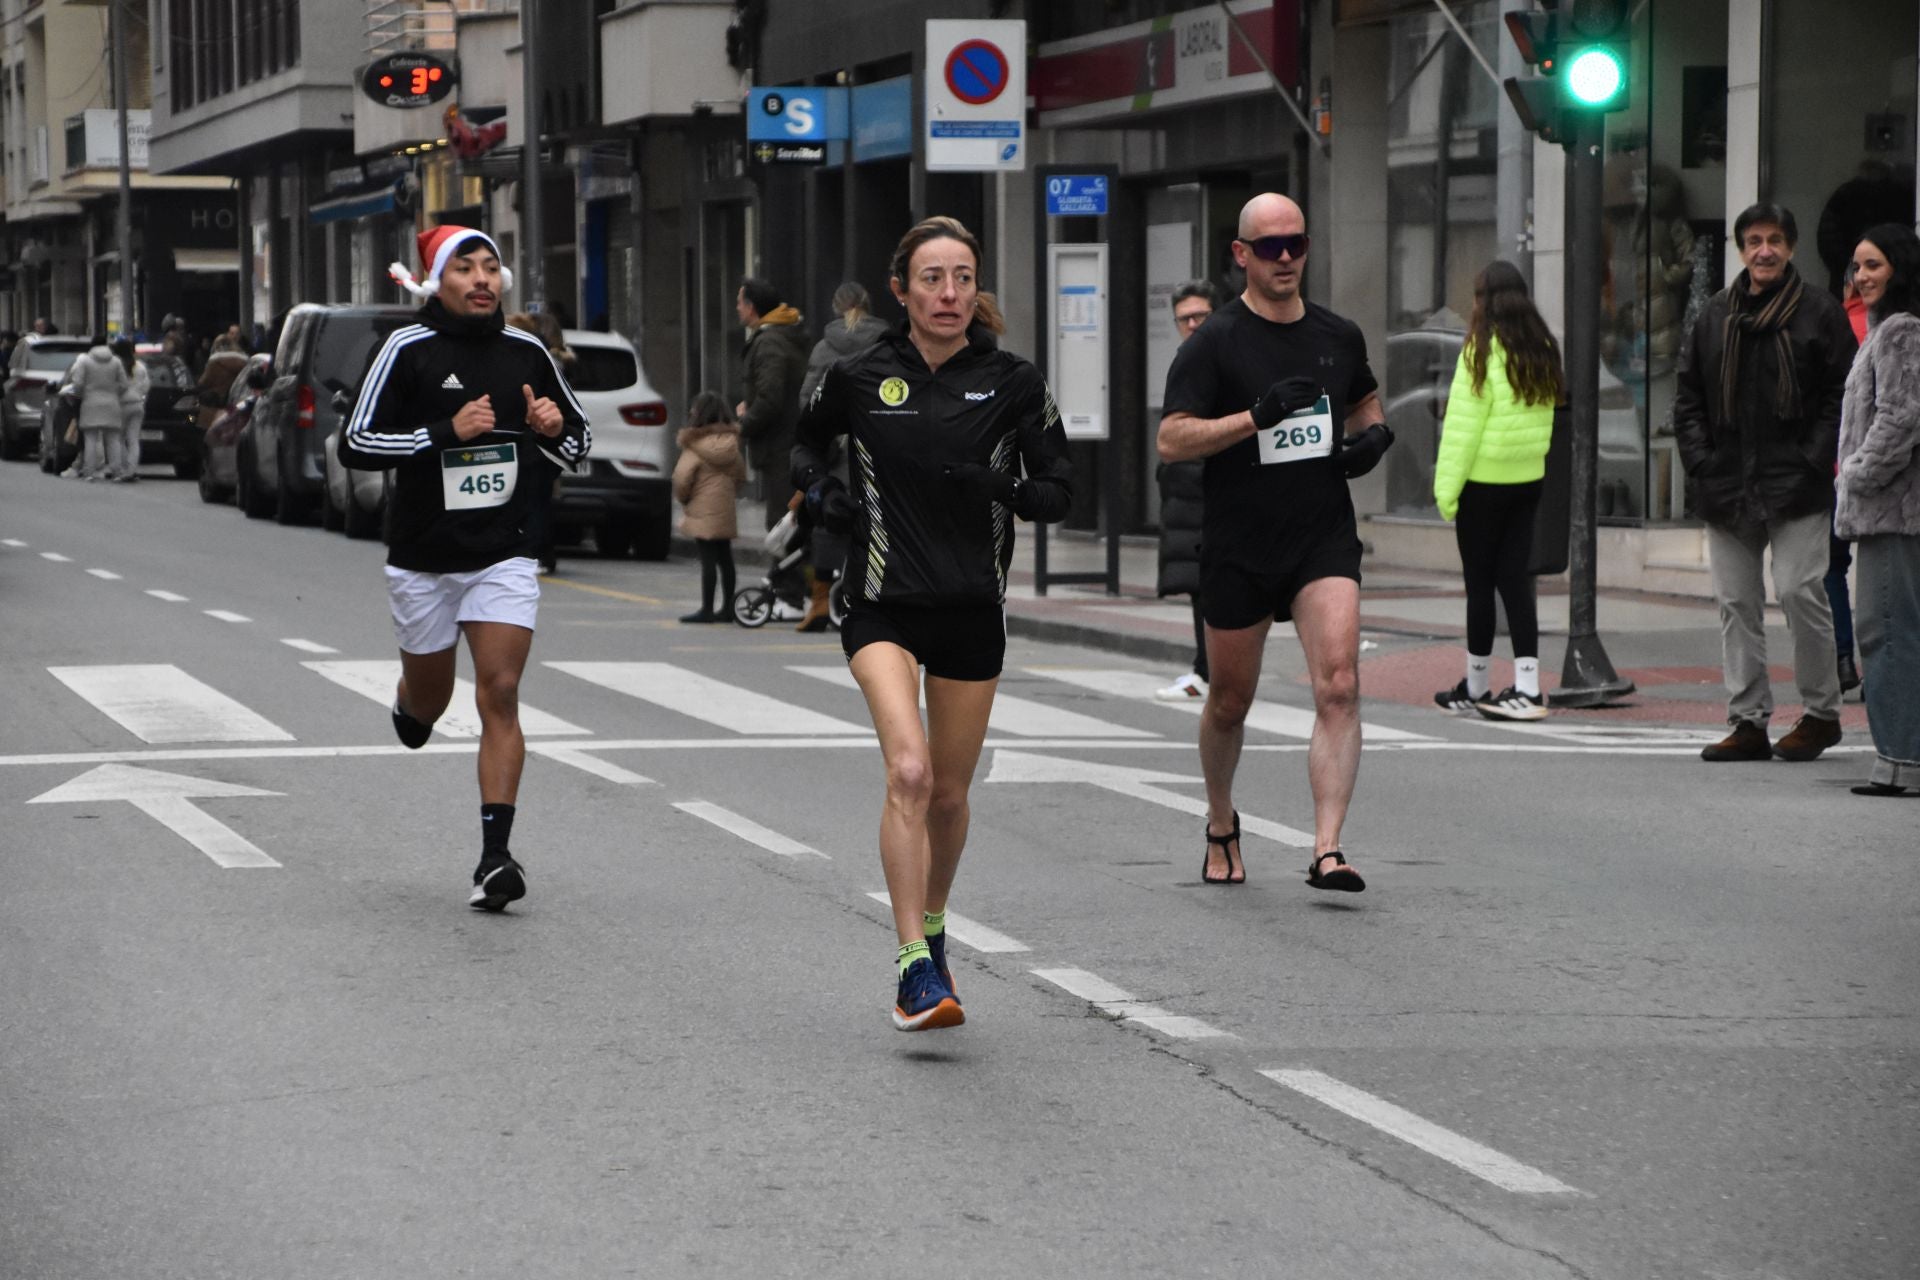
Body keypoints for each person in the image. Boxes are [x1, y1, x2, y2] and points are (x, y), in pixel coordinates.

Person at [792, 215, 1072, 1031]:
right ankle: (913, 966)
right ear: (901, 289)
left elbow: (1060, 490)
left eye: (961, 278)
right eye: (932, 278)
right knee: (908, 773)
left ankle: (937, 927)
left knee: (949, 795)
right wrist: (824, 495)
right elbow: (803, 447)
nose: (949, 294)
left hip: (970, 609)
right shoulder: (858, 372)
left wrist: (1002, 488)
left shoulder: (1013, 381)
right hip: (880, 600)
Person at [340, 225, 591, 910]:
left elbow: (580, 441)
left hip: (503, 552)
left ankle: (495, 858)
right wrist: (446, 433)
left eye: (491, 267)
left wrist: (551, 431)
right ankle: (409, 700)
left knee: (500, 692)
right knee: (432, 704)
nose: (482, 279)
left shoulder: (527, 350)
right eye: (464, 268)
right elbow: (355, 443)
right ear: (437, 281)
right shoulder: (406, 349)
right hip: (422, 559)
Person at [1158, 192, 1393, 892]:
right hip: (1240, 541)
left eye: (1295, 243)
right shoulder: (1215, 342)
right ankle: (1222, 819)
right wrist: (1253, 418)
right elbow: (1172, 438)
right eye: (1269, 247)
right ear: (1241, 256)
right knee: (1230, 700)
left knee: (1341, 685)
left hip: (1321, 535)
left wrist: (1374, 439)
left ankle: (1327, 849)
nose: (1285, 256)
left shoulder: (1337, 334)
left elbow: (1363, 402)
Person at [1673, 202, 1857, 763]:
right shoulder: (1714, 315)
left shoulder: (1819, 312)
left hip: (1796, 482)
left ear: (1791, 246)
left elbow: (1842, 396)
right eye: (1753, 241)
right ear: (1741, 249)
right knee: (1736, 600)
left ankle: (1821, 713)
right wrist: (1701, 460)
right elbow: (1688, 397)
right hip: (1726, 482)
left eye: (1775, 240)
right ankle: (1747, 720)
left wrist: (1812, 458)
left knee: (1802, 591)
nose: (1764, 251)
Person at [1430, 261, 1562, 721]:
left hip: (1483, 485)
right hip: (1527, 480)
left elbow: (1461, 433)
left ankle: (1477, 684)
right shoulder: (1542, 349)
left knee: (1480, 587)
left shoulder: (1480, 352)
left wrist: (1446, 492)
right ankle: (1527, 684)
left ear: (1484, 300)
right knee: (1516, 583)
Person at [1834, 223, 1920, 796]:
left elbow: (1901, 417)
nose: (1862, 277)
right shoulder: (1886, 330)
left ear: (1900, 269)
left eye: (1874, 266)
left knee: (1885, 630)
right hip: (1891, 509)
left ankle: (1901, 762)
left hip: (1893, 511)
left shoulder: (1899, 332)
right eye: (1858, 267)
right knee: (1892, 629)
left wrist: (1855, 475)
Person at [794, 281, 890, 632]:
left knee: (828, 520)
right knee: (881, 518)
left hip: (837, 449)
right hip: (880, 446)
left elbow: (808, 398)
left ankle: (820, 602)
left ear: (837, 307)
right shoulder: (888, 344)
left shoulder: (824, 347)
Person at [1154, 281, 1219, 702]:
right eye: (1185, 318)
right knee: (1199, 585)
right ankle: (1204, 669)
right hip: (1188, 489)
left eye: (1201, 316)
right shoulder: (1186, 359)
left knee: (1212, 585)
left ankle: (1211, 673)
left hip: (1210, 488)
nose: (1193, 324)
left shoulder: (1221, 358)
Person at [735, 277, 810, 531]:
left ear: (751, 307)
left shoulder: (769, 342)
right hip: (787, 444)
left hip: (781, 447)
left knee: (782, 526)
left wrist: (745, 423)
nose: (737, 308)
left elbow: (771, 397)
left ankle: (789, 572)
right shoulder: (780, 336)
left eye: (739, 302)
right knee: (788, 522)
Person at [506, 310, 573, 574]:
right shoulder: (551, 359)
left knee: (533, 500)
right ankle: (541, 553)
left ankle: (537, 554)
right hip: (542, 443)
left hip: (535, 441)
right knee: (539, 499)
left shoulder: (534, 360)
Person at [672, 391, 747, 623]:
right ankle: (727, 607)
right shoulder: (732, 444)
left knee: (707, 559)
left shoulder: (694, 445)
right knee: (725, 558)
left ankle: (706, 608)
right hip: (724, 506)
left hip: (701, 505)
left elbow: (682, 478)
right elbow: (740, 475)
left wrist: (684, 499)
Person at [63, 337, 130, 481]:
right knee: (113, 440)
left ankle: (89, 472)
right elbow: (124, 384)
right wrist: (114, 393)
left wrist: (81, 395)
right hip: (112, 403)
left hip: (90, 403)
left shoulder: (85, 361)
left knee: (91, 439)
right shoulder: (116, 361)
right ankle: (117, 471)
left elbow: (78, 384)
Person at [110, 338, 149, 483]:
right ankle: (132, 470)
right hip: (137, 404)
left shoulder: (116, 366)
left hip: (121, 404)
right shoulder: (140, 366)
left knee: (118, 438)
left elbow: (114, 385)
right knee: (133, 439)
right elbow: (146, 386)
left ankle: (121, 470)